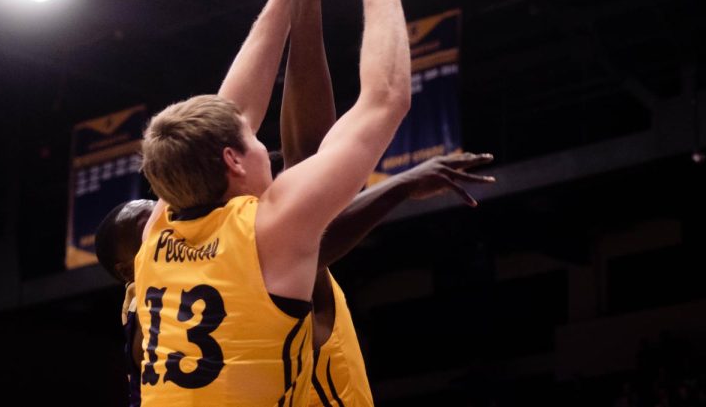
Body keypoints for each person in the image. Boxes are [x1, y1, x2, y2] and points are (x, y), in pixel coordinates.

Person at [134, 0, 417, 406]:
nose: (266, 145)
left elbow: (229, 115)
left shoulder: (157, 233)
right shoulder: (270, 230)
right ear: (232, 160)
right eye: (254, 141)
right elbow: (385, 102)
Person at [97, 154, 493, 406]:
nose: (162, 221)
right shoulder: (181, 291)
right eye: (147, 223)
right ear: (126, 270)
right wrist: (400, 186)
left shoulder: (185, 285)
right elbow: (311, 235)